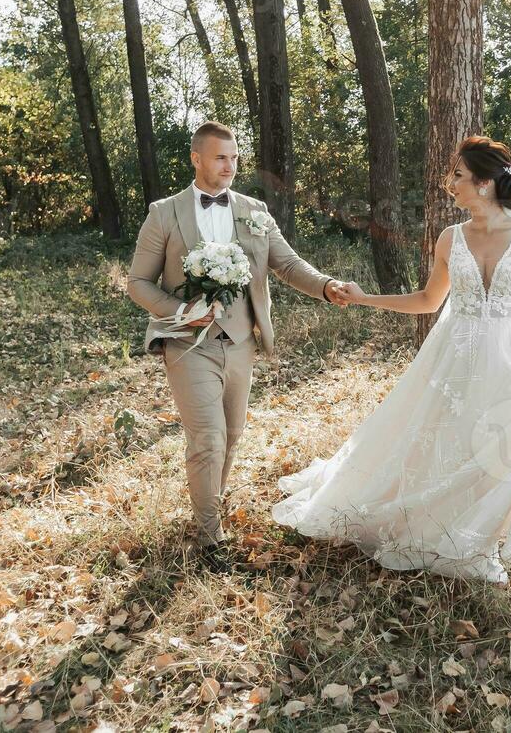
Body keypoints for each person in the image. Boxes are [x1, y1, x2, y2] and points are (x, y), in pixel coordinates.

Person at [272, 135, 511, 584]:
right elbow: (430, 301)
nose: (451, 184)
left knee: (495, 440)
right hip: (453, 353)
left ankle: (477, 535)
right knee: (443, 436)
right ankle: (429, 525)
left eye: (459, 176)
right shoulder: (451, 238)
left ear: (485, 183)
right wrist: (367, 297)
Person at [126, 121, 348, 570]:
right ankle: (210, 536)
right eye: (220, 157)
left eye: (234, 157)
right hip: (189, 345)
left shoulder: (253, 210)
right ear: (197, 159)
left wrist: (326, 286)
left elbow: (285, 263)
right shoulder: (165, 213)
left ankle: (210, 503)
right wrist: (184, 312)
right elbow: (137, 283)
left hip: (242, 341)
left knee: (231, 436)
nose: (230, 166)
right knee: (206, 438)